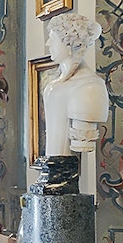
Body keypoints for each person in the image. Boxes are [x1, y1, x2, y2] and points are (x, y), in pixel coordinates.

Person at [42, 13, 109, 157]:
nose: (48, 44)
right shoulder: (55, 84)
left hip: (66, 166)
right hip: (50, 165)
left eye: (53, 39)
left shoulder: (89, 87)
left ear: (70, 44)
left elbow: (82, 146)